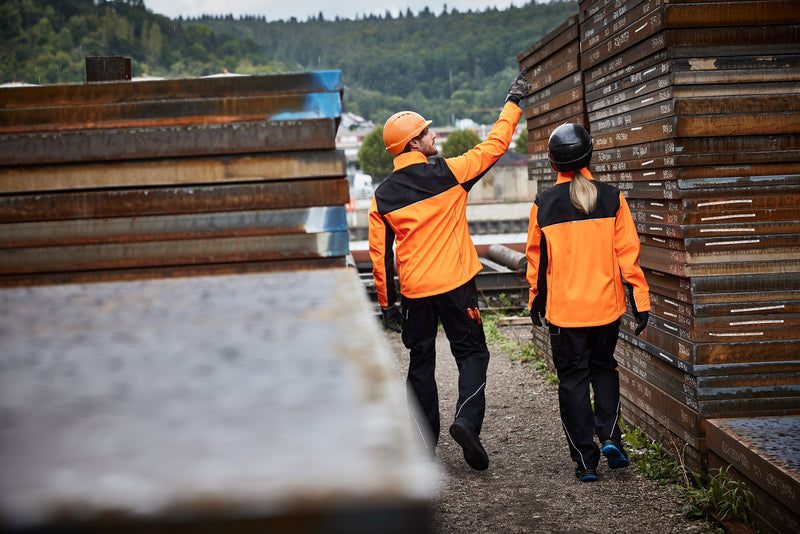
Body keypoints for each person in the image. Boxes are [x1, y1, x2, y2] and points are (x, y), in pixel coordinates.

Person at [368, 69, 532, 470]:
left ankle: (424, 445)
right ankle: (466, 422)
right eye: (426, 133)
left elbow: (379, 255)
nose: (434, 136)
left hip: (415, 293)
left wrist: (388, 305)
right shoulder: (451, 172)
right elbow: (495, 145)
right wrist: (513, 102)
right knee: (473, 353)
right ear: (413, 143)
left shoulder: (382, 196)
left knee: (420, 363)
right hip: (457, 287)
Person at [525, 122, 650, 482]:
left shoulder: (543, 205)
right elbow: (629, 255)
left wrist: (536, 300)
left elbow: (537, 261)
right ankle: (611, 438)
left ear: (553, 164)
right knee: (604, 369)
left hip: (565, 314)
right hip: (605, 310)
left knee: (573, 381)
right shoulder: (613, 198)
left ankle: (585, 461)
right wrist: (641, 302)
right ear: (589, 154)